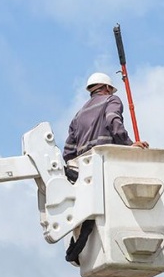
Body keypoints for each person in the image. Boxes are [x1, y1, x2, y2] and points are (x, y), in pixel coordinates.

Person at [62, 72, 149, 266]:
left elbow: (68, 151)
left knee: (90, 211)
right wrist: (129, 145)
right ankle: (77, 248)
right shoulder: (112, 100)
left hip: (84, 170)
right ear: (107, 88)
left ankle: (75, 250)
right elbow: (113, 120)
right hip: (104, 164)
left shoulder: (78, 115)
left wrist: (77, 166)